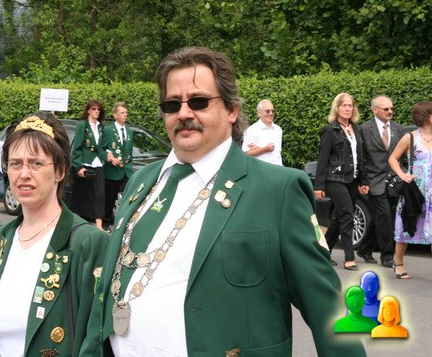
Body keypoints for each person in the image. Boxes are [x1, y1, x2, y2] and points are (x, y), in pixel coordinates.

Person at [81, 47, 364, 356]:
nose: (184, 113)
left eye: (199, 101)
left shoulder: (277, 189)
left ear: (231, 110)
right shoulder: (141, 180)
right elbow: (106, 291)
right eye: (172, 104)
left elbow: (328, 312)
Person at [0, 113, 109, 356]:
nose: (24, 174)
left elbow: (98, 342)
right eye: (15, 164)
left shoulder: (88, 243)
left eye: (36, 163)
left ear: (60, 171)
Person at [314, 93, 368, 271]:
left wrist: (363, 181)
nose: (347, 108)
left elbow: (361, 157)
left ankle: (322, 253)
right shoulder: (330, 130)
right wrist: (319, 185)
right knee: (347, 215)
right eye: (344, 105)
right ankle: (349, 258)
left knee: (339, 217)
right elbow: (323, 159)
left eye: (350, 105)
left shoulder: (357, 129)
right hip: (335, 179)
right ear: (337, 108)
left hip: (352, 179)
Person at [387, 100, 432, 279]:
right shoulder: (410, 138)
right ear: (428, 116)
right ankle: (398, 263)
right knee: (406, 226)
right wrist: (402, 174)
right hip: (415, 191)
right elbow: (392, 158)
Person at [357, 95, 404, 267]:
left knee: (383, 217)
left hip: (393, 182)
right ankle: (387, 256)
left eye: (391, 108)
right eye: (386, 109)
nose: (390, 111)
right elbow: (361, 158)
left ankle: (364, 248)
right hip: (373, 181)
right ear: (375, 110)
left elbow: (402, 155)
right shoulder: (364, 129)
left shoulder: (398, 129)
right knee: (384, 216)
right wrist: (363, 181)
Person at [70, 100, 107, 231]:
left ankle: (99, 225)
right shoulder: (83, 125)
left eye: (98, 109)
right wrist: (78, 166)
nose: (96, 111)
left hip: (98, 163)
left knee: (99, 193)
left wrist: (107, 156)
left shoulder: (101, 127)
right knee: (81, 194)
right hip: (85, 163)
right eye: (94, 109)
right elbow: (77, 147)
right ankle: (77, 223)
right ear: (88, 111)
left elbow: (102, 147)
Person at [102, 102, 134, 229]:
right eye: (122, 112)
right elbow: (102, 148)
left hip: (127, 170)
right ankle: (105, 223)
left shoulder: (130, 131)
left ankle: (124, 221)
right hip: (113, 171)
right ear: (115, 115)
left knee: (128, 197)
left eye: (126, 112)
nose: (125, 115)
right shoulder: (108, 130)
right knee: (110, 198)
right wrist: (109, 155)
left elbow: (129, 151)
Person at [241, 99, 283, 165]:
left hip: (278, 168)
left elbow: (277, 153)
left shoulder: (278, 130)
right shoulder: (251, 131)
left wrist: (258, 149)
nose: (271, 113)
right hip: (261, 170)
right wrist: (264, 149)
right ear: (259, 113)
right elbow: (246, 154)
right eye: (267, 111)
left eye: (272, 111)